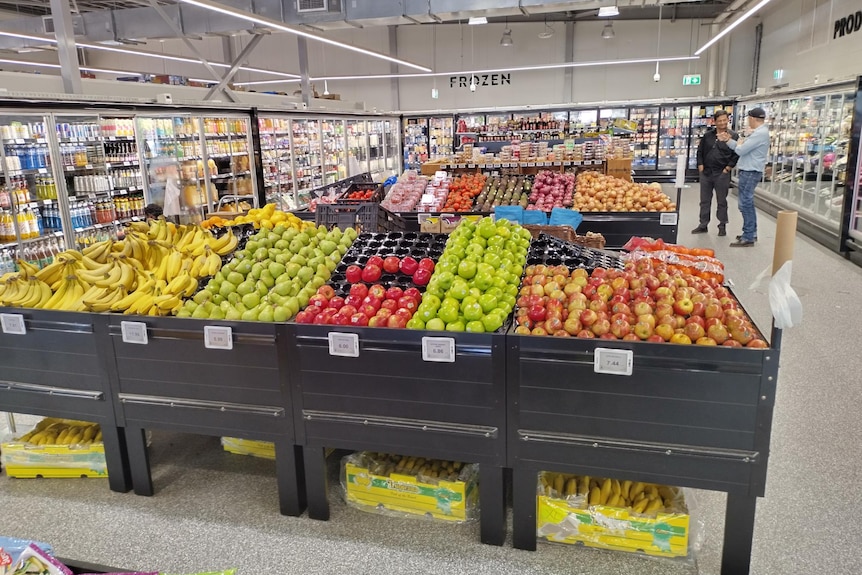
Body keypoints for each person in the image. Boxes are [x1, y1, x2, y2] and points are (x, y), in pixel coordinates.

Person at [718, 107, 770, 247]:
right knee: (747, 203)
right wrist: (729, 140)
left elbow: (741, 150)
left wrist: (734, 143)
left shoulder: (760, 134)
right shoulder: (759, 133)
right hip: (749, 170)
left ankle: (748, 236)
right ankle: (751, 232)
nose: (748, 121)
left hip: (750, 171)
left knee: (745, 203)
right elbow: (741, 147)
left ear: (752, 118)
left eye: (748, 119)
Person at [692, 110, 738, 237]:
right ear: (715, 122)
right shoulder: (708, 136)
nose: (722, 123)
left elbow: (736, 155)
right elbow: (700, 151)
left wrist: (727, 168)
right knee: (704, 200)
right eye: (720, 121)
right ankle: (703, 224)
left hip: (721, 173)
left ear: (728, 120)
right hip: (706, 172)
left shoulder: (733, 136)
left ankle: (722, 225)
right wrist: (700, 165)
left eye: (725, 120)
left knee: (722, 201)